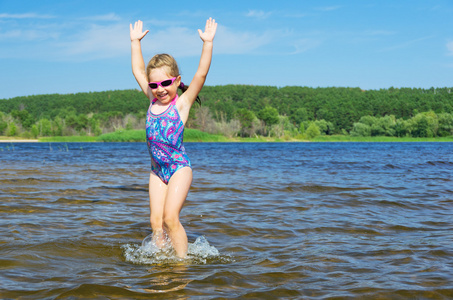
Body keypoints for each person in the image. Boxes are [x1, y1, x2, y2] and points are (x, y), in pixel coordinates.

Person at [129, 18, 217, 258]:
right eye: (155, 84)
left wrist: (207, 43)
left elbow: (201, 74)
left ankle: (181, 263)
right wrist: (135, 42)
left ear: (177, 81)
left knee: (170, 218)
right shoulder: (151, 100)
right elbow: (138, 70)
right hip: (157, 171)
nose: (160, 89)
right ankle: (161, 260)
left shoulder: (182, 104)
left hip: (179, 168)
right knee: (156, 222)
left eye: (166, 83)